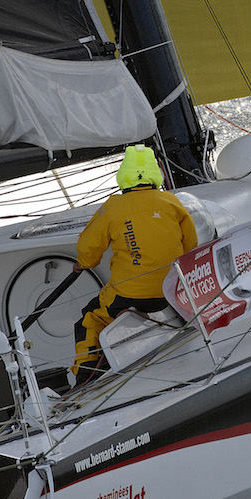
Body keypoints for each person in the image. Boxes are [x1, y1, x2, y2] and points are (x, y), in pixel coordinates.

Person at [71, 145, 198, 383]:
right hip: (171, 292)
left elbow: (88, 251)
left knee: (90, 318)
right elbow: (191, 248)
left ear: (124, 175)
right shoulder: (173, 203)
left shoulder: (113, 207)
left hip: (127, 297)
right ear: (155, 173)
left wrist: (82, 264)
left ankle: (86, 376)